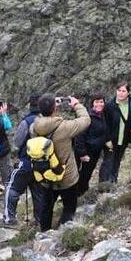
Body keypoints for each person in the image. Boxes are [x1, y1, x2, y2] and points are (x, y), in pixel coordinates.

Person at [28, 94, 90, 231]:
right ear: (55, 108)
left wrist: (48, 106)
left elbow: (43, 120)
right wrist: (76, 105)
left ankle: (44, 233)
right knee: (69, 207)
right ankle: (64, 231)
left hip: (45, 176)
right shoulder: (64, 127)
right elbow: (85, 120)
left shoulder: (34, 127)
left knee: (46, 208)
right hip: (66, 177)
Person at [2, 94, 40, 227]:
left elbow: (18, 141)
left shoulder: (27, 121)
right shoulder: (49, 120)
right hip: (44, 163)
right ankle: (40, 220)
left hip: (27, 161)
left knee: (12, 188)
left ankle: (9, 219)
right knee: (39, 192)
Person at [74, 93, 110, 196]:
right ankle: (77, 195)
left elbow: (103, 132)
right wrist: (82, 154)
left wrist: (107, 141)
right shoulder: (88, 118)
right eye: (97, 102)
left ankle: (83, 192)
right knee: (82, 174)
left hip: (95, 151)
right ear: (92, 104)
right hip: (86, 152)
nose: (99, 104)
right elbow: (79, 136)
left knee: (88, 174)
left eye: (101, 102)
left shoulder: (102, 115)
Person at [99, 83, 131, 184]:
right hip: (111, 141)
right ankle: (103, 185)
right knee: (108, 163)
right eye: (119, 90)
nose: (121, 93)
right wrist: (107, 140)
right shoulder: (109, 105)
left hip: (123, 140)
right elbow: (105, 124)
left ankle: (113, 183)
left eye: (123, 91)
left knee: (117, 162)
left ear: (128, 92)